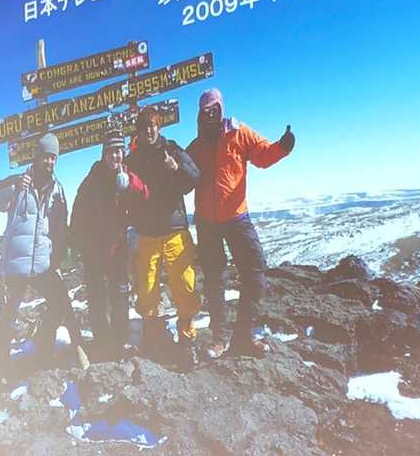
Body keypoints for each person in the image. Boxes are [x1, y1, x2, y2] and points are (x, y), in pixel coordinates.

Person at [186, 88, 295, 359]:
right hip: (206, 222)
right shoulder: (196, 146)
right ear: (200, 114)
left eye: (214, 109)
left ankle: (244, 337)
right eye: (205, 111)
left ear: (221, 108)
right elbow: (181, 176)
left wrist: (282, 148)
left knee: (255, 271)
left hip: (237, 217)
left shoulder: (238, 132)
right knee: (214, 280)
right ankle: (219, 339)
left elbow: (262, 155)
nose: (210, 114)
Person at [0, 132, 81, 371]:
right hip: (15, 265)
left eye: (53, 157)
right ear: (37, 156)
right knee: (8, 315)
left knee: (60, 303)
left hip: (42, 263)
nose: (49, 161)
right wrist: (13, 185)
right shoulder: (20, 182)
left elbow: (61, 225)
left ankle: (44, 348)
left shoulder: (57, 189)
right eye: (46, 156)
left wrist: (58, 256)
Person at [124, 104, 201, 367]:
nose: (149, 130)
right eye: (144, 126)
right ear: (138, 131)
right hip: (146, 234)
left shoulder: (172, 150)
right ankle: (154, 336)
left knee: (185, 286)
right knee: (146, 290)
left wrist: (175, 167)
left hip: (174, 230)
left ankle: (187, 341)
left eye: (153, 125)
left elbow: (195, 178)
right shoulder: (132, 160)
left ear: (159, 126)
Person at [70, 130, 143, 359]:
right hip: (93, 251)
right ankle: (102, 343)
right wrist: (76, 243)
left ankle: (119, 342)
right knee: (97, 298)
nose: (115, 156)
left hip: (117, 249)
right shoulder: (91, 179)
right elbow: (78, 212)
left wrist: (130, 183)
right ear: (104, 154)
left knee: (120, 296)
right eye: (111, 151)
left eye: (119, 151)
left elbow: (145, 194)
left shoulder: (127, 174)